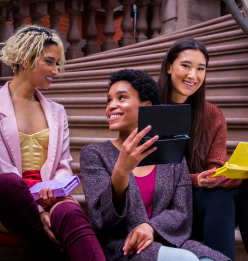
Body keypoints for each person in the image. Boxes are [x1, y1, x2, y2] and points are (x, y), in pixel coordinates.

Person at [80, 69, 230, 261]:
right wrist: (121, 171)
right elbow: (102, 220)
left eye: (122, 98)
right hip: (124, 247)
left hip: (169, 242)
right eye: (109, 100)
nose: (111, 106)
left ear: (147, 106)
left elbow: (182, 213)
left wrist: (151, 227)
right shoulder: (94, 155)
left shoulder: (173, 155)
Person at [0, 25, 106, 261]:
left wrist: (52, 193)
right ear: (23, 58)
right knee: (6, 184)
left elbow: (63, 163)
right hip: (9, 199)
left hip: (48, 193)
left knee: (71, 213)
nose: (56, 71)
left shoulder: (57, 112)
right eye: (50, 61)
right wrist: (38, 210)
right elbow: (2, 169)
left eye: (57, 63)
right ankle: (53, 254)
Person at [158, 37, 248, 261]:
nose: (192, 75)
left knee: (246, 198)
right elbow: (154, 176)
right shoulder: (150, 109)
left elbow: (214, 172)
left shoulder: (212, 115)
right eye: (185, 65)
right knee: (219, 197)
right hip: (161, 209)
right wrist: (197, 180)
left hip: (201, 208)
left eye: (200, 69)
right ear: (169, 66)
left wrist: (247, 175)